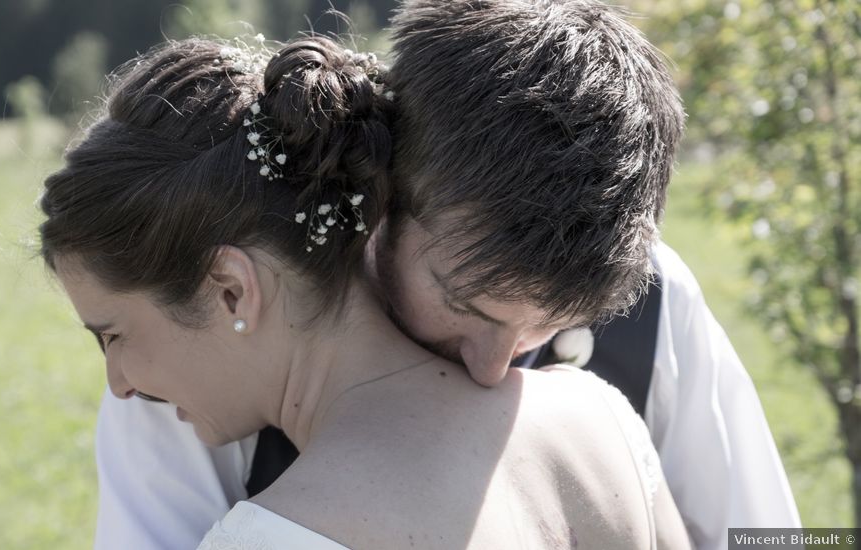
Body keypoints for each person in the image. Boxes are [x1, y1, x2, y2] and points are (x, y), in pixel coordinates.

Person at [88, 1, 800, 549]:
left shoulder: (658, 301)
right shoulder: (204, 347)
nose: (497, 368)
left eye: (549, 326)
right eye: (465, 303)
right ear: (386, 195)